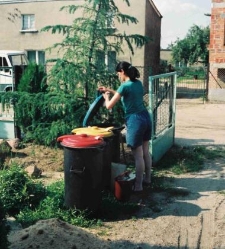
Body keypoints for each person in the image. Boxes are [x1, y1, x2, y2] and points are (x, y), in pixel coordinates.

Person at [98, 61, 152, 192]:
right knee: (145, 151)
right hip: (145, 117)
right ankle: (147, 179)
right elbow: (126, 93)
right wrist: (110, 90)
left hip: (135, 120)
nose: (118, 76)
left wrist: (106, 96)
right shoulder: (138, 83)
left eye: (118, 73)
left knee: (138, 155)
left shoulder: (124, 86)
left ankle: (138, 186)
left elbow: (109, 105)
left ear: (122, 72)